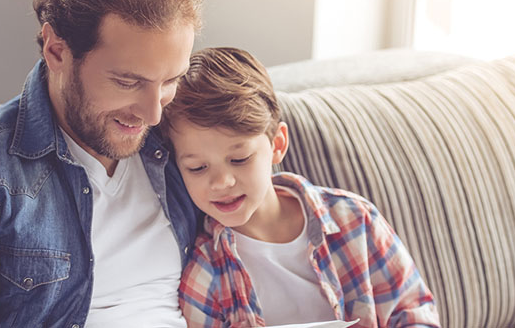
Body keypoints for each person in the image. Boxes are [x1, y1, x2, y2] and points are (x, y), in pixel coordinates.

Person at [0, 0, 202, 327]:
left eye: (170, 81)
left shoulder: (183, 136)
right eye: (127, 82)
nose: (153, 114)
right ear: (56, 51)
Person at [160, 47, 442, 328]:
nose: (222, 182)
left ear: (277, 145)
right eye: (197, 168)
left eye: (239, 159)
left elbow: (415, 314)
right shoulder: (205, 274)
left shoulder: (356, 222)